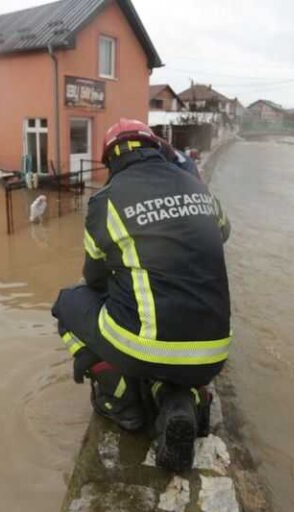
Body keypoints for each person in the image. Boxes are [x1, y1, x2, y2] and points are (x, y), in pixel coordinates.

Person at [52, 119, 231, 472]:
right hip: (213, 352)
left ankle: (122, 400)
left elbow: (94, 278)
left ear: (109, 161)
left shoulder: (105, 201)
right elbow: (222, 233)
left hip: (146, 347)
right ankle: (177, 397)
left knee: (67, 303)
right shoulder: (198, 187)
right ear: (158, 148)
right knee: (171, 356)